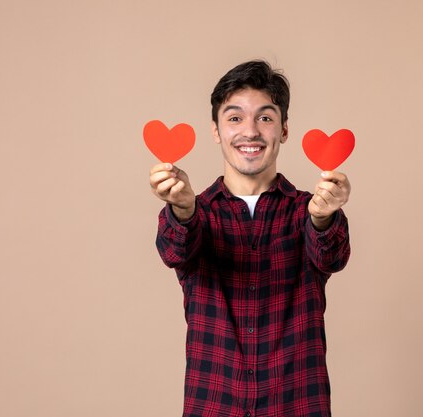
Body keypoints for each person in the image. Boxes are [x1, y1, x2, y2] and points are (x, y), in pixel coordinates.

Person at [150, 60, 351, 417]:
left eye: (265, 117)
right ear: (216, 130)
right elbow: (175, 249)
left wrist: (323, 217)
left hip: (298, 403)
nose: (250, 131)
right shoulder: (197, 212)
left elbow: (332, 255)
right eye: (235, 118)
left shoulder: (309, 210)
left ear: (284, 129)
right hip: (213, 404)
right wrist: (182, 209)